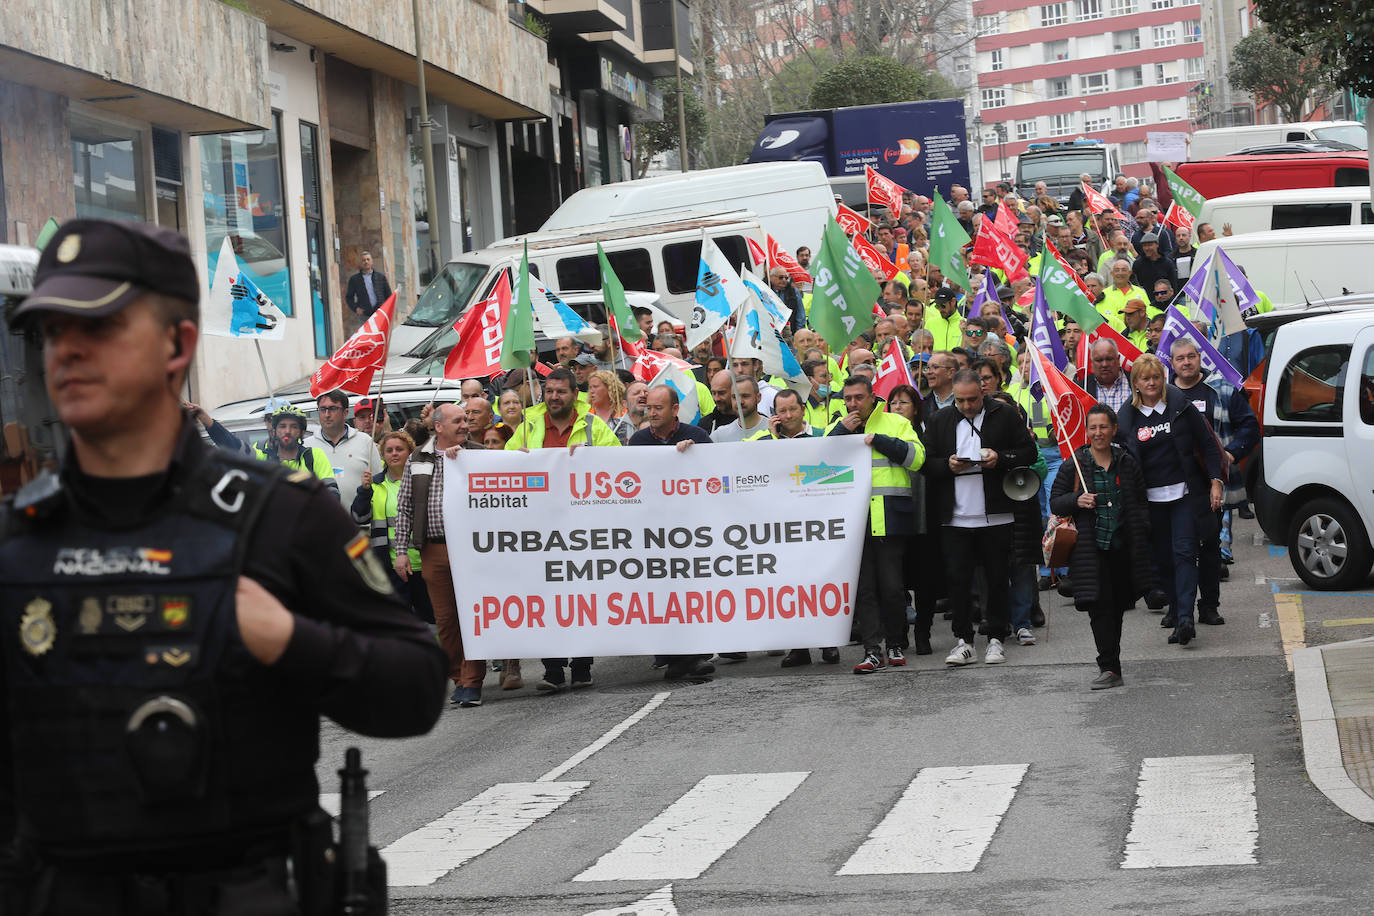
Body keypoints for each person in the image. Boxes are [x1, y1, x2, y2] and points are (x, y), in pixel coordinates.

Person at [0, 217, 444, 908]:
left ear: (177, 346)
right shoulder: (19, 541)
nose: (68, 353)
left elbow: (416, 685)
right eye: (54, 332)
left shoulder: (278, 516)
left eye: (101, 328)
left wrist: (290, 640)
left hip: (242, 888)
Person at [507, 368, 620, 691]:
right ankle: (552, 670)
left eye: (561, 392)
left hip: (581, 529)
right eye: (550, 391)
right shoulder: (528, 426)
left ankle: (582, 665)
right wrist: (518, 460)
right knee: (545, 601)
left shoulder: (592, 426)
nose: (554, 397)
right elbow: (503, 462)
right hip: (540, 530)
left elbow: (617, 462)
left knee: (581, 600)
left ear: (575, 394)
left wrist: (591, 459)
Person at [923, 370, 1038, 666]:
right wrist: (947, 466)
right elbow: (926, 463)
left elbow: (1028, 451)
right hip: (955, 518)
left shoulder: (1006, 415)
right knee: (958, 582)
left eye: (973, 399)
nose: (967, 405)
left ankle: (997, 637)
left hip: (997, 515)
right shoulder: (939, 420)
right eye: (960, 400)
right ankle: (964, 641)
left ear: (983, 393)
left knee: (997, 579)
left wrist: (1001, 459)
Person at [1115, 354, 1223, 647]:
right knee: (1162, 561)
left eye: (1156, 377)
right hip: (1149, 501)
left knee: (1185, 553)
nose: (1152, 383)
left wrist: (1216, 480)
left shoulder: (1180, 407)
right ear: (1135, 383)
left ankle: (1186, 617)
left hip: (1185, 495)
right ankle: (1176, 611)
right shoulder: (1126, 419)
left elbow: (1208, 445)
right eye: (1145, 378)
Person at [1050, 405, 1160, 689]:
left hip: (1123, 548)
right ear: (1086, 431)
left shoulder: (1127, 461)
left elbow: (1140, 502)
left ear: (1114, 429)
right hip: (1090, 549)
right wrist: (1077, 500)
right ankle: (1109, 667)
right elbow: (1055, 502)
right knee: (1099, 608)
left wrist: (1142, 532)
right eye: (1092, 427)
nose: (1098, 433)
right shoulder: (1074, 464)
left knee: (1118, 606)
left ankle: (1113, 663)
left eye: (1103, 427)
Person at [394, 403, 490, 706]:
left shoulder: (478, 454)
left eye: (467, 419)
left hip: (472, 549)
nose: (466, 424)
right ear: (438, 426)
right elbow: (405, 507)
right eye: (458, 420)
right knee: (446, 620)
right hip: (432, 549)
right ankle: (457, 676)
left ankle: (472, 681)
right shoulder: (417, 458)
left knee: (472, 616)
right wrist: (401, 552)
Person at [828, 376, 925, 673]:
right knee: (865, 589)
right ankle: (872, 650)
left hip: (889, 515)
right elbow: (818, 462)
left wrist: (879, 440)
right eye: (848, 399)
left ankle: (895, 643)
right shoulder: (841, 427)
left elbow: (917, 459)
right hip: (853, 519)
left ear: (873, 397)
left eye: (859, 397)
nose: (853, 404)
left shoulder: (895, 423)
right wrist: (841, 432)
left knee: (892, 587)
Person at [1169, 337, 1260, 626]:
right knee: (1176, 550)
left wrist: (1231, 454)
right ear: (1172, 363)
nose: (1186, 362)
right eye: (1180, 358)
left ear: (1199, 358)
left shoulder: (1220, 389)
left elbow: (1250, 426)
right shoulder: (1163, 394)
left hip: (1211, 485)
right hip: (1174, 486)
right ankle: (1177, 609)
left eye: (1191, 356)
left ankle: (1208, 606)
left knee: (1209, 548)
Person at [351, 428, 436, 623]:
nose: (394, 453)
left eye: (400, 449)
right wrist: (364, 493)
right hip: (390, 565)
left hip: (423, 562)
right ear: (383, 455)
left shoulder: (423, 481)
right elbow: (358, 518)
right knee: (399, 620)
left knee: (431, 618)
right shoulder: (374, 484)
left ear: (410, 452)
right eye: (389, 450)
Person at [307, 388, 382, 504]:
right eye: (323, 409)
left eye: (332, 409)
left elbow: (379, 484)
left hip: (359, 520)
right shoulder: (307, 446)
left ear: (345, 413)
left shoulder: (365, 441)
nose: (327, 414)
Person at [261, 404, 339, 498]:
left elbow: (332, 493)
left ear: (302, 433)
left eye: (294, 427)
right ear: (274, 431)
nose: (288, 431)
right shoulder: (262, 457)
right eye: (282, 426)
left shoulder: (315, 455)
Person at [710, 376, 769, 442]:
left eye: (745, 396)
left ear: (758, 397)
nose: (740, 402)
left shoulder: (774, 429)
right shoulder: (719, 436)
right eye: (735, 397)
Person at [587, 369, 636, 444]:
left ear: (609, 388)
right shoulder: (586, 413)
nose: (591, 391)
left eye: (595, 387)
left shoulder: (625, 411)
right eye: (590, 387)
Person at [1083, 338, 1132, 412]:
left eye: (1109, 359)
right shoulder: (1082, 388)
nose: (1104, 364)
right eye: (1099, 360)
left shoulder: (1136, 383)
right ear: (1092, 363)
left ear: (1118, 359)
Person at [345, 249, 392, 320]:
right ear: (360, 263)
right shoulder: (354, 279)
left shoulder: (380, 277)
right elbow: (349, 297)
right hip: (364, 316)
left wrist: (387, 309)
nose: (366, 262)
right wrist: (356, 308)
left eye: (368, 259)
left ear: (372, 261)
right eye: (363, 260)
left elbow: (389, 295)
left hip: (380, 314)